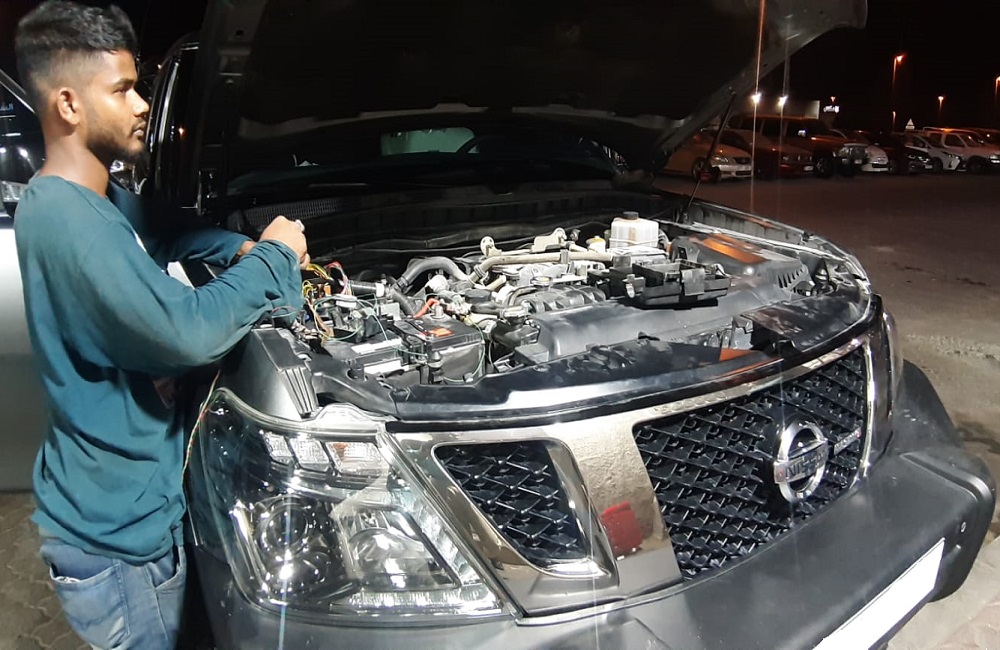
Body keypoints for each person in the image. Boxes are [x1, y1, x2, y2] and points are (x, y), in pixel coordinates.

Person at [13, 2, 309, 648]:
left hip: (109, 510)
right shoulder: (70, 223)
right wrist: (276, 257)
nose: (142, 104)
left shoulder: (85, 198)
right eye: (122, 89)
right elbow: (188, 333)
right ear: (68, 104)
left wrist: (237, 247)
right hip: (122, 548)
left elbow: (166, 228)